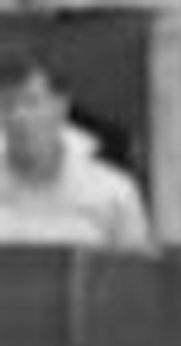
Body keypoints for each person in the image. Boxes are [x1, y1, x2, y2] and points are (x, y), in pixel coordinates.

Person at [0, 49, 152, 251]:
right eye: (7, 105)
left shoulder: (114, 192)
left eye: (32, 102)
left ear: (61, 107)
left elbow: (139, 276)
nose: (19, 117)